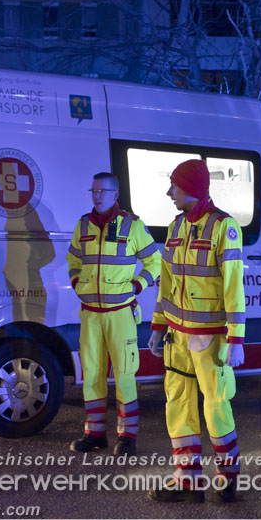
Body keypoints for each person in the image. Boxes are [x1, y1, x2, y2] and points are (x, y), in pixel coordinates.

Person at [146, 159, 245, 503]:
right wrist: (158, 326)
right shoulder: (175, 227)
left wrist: (236, 338)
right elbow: (168, 284)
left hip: (210, 337)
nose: (169, 192)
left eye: (174, 186)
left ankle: (227, 477)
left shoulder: (224, 227)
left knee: (216, 406)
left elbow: (234, 287)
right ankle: (187, 479)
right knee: (178, 405)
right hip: (178, 337)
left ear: (190, 188)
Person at [66, 172, 161, 456]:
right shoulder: (83, 224)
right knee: (92, 375)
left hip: (120, 314)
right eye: (94, 190)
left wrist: (137, 284)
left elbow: (154, 261)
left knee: (124, 375)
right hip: (91, 314)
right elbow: (73, 259)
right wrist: (76, 284)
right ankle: (94, 434)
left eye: (103, 191)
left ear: (115, 195)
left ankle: (127, 437)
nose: (97, 195)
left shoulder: (133, 226)